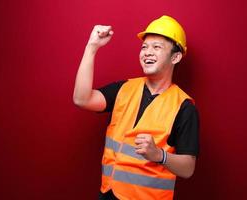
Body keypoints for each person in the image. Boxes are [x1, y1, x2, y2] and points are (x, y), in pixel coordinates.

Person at [73, 15, 199, 200]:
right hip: (107, 194)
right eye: (144, 47)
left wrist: (159, 155)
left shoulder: (184, 107)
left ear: (176, 57)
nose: (147, 52)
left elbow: (188, 168)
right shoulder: (124, 88)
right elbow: (81, 99)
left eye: (157, 47)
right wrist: (92, 47)